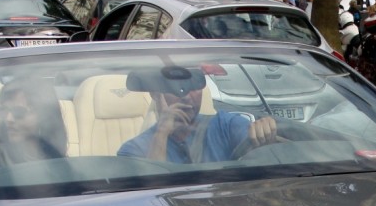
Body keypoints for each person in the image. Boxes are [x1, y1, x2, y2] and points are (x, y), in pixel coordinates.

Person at [117, 69, 278, 164]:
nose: (186, 96)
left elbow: (257, 142)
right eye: (174, 88)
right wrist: (162, 134)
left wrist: (264, 132)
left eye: (193, 86)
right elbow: (151, 197)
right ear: (155, 94)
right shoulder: (133, 150)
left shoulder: (225, 125)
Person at [0, 78, 66, 172]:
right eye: (3, 110)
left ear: (44, 116)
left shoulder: (56, 156)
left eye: (18, 112)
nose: (8, 119)